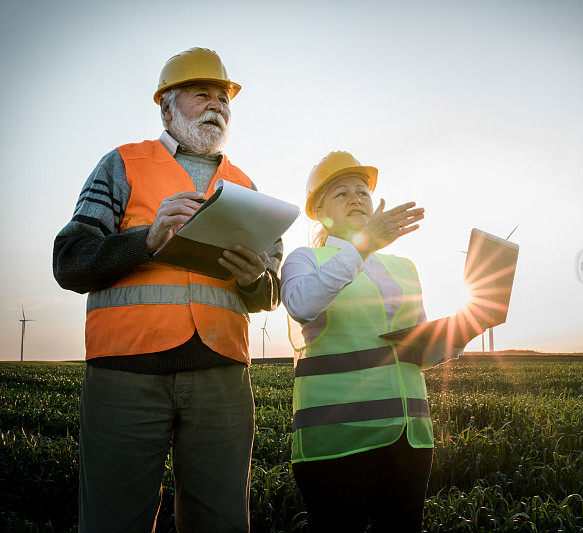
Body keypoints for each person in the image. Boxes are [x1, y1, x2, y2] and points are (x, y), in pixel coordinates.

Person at [52, 47, 282, 532]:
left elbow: (271, 293)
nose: (217, 105)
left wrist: (254, 280)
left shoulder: (247, 187)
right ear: (166, 107)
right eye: (202, 95)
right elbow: (70, 260)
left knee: (221, 522)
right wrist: (146, 239)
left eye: (223, 97)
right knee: (115, 520)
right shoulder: (122, 164)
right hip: (125, 376)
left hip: (221, 378)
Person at [280, 151, 485, 532]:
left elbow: (420, 354)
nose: (357, 198)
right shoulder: (304, 259)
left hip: (410, 438)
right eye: (341, 194)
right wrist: (362, 246)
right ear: (320, 212)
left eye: (362, 191)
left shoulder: (404, 268)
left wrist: (467, 328)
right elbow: (302, 304)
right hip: (337, 439)